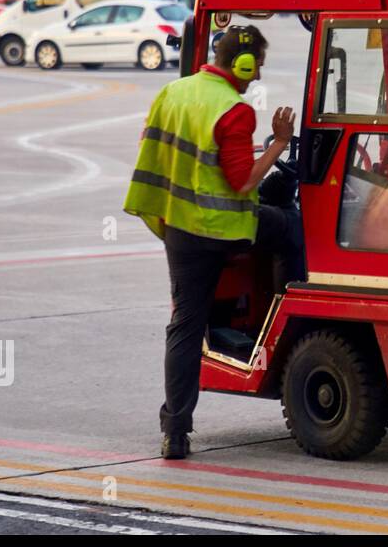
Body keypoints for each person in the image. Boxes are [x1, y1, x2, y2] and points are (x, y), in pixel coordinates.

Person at [123, 25, 304, 460]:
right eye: (257, 64)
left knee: (186, 325)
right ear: (241, 64)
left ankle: (176, 431)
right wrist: (279, 143)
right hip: (224, 225)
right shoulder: (235, 110)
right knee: (291, 230)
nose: (258, 73)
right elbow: (242, 180)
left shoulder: (174, 93)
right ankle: (290, 325)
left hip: (180, 224)